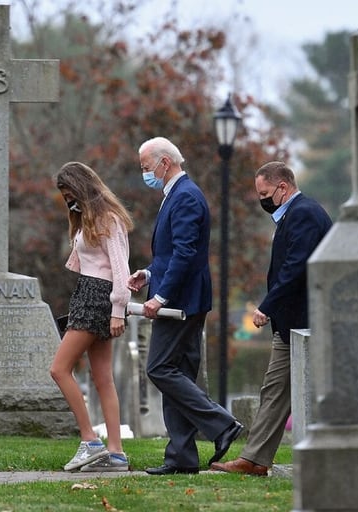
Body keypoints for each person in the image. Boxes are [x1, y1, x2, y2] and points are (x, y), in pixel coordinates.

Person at [127, 136, 243, 475]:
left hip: (181, 302)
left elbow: (186, 253)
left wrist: (160, 297)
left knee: (159, 369)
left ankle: (222, 424)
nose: (145, 173)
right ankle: (181, 457)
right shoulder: (177, 195)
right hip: (183, 295)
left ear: (165, 163)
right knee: (177, 373)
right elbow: (170, 255)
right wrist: (148, 275)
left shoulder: (186, 197)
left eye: (147, 167)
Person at [211, 161, 332, 476]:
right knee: (275, 390)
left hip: (304, 321)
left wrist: (267, 306)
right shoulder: (295, 214)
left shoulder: (304, 213)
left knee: (280, 389)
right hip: (294, 322)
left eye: (265, 193)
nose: (262, 200)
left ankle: (255, 459)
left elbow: (296, 267)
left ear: (283, 187)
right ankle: (254, 460)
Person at [51, 161, 134, 472]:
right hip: (89, 292)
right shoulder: (88, 218)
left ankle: (90, 441)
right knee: (102, 379)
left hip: (99, 297)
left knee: (59, 369)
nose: (66, 198)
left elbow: (120, 269)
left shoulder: (109, 219)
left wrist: (117, 312)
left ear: (80, 185)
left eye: (68, 191)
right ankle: (116, 454)